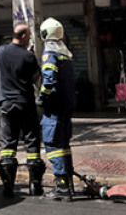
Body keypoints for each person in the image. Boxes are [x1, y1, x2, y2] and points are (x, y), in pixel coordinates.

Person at [0, 23, 44, 197]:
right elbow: (35, 78)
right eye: (29, 36)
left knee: (8, 144)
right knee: (31, 141)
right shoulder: (28, 56)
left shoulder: (0, 51)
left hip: (6, 104)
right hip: (25, 103)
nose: (30, 38)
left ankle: (8, 185)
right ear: (23, 36)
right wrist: (31, 55)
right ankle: (35, 185)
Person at [38, 18, 77, 201]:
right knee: (64, 146)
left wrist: (42, 97)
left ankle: (61, 187)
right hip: (66, 106)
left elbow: (49, 79)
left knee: (53, 145)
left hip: (54, 108)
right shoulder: (65, 53)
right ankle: (68, 183)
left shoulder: (50, 53)